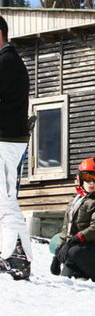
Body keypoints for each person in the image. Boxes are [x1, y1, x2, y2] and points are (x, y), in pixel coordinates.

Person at [0, 15, 34, 280]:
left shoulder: (6, 62)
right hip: (8, 139)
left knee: (5, 200)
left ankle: (18, 257)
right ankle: (12, 254)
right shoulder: (8, 61)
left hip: (5, 141)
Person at [50, 157, 95, 284]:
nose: (92, 183)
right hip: (73, 246)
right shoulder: (75, 201)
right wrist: (58, 254)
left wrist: (77, 238)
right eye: (88, 177)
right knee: (69, 279)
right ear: (80, 178)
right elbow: (67, 229)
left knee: (76, 251)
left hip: (91, 246)